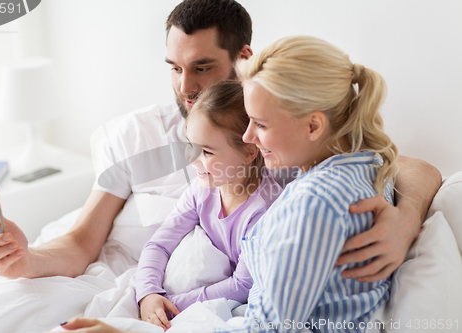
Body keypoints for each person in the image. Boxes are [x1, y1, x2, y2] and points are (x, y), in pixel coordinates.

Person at [0, 0, 439, 292]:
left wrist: (405, 219)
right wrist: (26, 258)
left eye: (201, 67)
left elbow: (410, 167)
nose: (186, 87)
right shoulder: (133, 135)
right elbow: (81, 242)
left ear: (243, 59)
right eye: (174, 68)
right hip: (128, 279)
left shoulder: (274, 137)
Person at [53, 35, 407, 333]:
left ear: (313, 126)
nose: (250, 137)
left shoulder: (312, 201)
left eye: (261, 124)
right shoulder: (367, 162)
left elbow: (269, 327)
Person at [136, 81, 282, 330]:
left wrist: (171, 303)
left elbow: (243, 285)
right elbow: (159, 244)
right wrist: (148, 293)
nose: (192, 159)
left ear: (249, 152)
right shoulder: (201, 191)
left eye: (207, 152)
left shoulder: (264, 211)